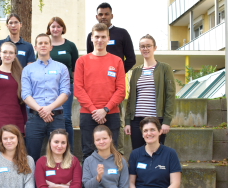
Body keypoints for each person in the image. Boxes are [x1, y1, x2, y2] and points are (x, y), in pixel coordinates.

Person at [75, 23, 125, 161]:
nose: (100, 40)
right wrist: (94, 110)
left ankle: (112, 183)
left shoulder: (117, 61)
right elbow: (78, 89)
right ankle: (89, 183)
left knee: (112, 153)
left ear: (108, 39)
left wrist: (105, 109)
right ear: (92, 38)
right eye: (97, 37)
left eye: (103, 37)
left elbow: (121, 90)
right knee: (88, 154)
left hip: (112, 114)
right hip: (88, 114)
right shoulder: (82, 61)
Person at [22, 33, 71, 163]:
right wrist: (41, 110)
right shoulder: (28, 70)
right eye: (40, 43)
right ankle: (34, 183)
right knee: (32, 156)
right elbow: (26, 95)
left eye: (46, 43)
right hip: (34, 118)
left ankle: (57, 182)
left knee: (58, 155)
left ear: (51, 47)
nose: (43, 45)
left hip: (57, 117)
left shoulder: (62, 68)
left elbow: (65, 92)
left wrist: (49, 108)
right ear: (35, 47)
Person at [125, 34, 176, 150]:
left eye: (148, 46)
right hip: (137, 119)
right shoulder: (136, 71)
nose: (145, 49)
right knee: (137, 152)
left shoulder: (164, 68)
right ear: (139, 49)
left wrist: (167, 121)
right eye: (142, 46)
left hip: (156, 119)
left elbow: (170, 96)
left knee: (156, 151)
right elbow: (131, 98)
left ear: (155, 48)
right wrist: (127, 121)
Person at [47, 17, 79, 153]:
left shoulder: (70, 46)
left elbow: (76, 68)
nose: (55, 29)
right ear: (49, 29)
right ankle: (53, 151)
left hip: (66, 87)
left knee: (66, 118)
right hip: (49, 88)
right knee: (53, 117)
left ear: (63, 28)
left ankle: (69, 152)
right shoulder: (46, 45)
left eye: (58, 26)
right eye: (53, 26)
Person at [0, 42, 27, 137]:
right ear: (0, 54)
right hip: (1, 120)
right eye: (5, 52)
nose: (7, 55)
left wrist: (25, 122)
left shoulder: (20, 74)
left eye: (11, 53)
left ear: (15, 55)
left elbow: (23, 101)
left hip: (17, 120)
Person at [86, 2, 135, 73]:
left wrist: (119, 73)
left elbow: (131, 59)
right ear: (97, 17)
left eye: (106, 14)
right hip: (97, 76)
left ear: (112, 16)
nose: (103, 17)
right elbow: (90, 59)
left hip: (116, 77)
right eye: (100, 14)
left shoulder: (122, 33)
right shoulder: (91, 36)